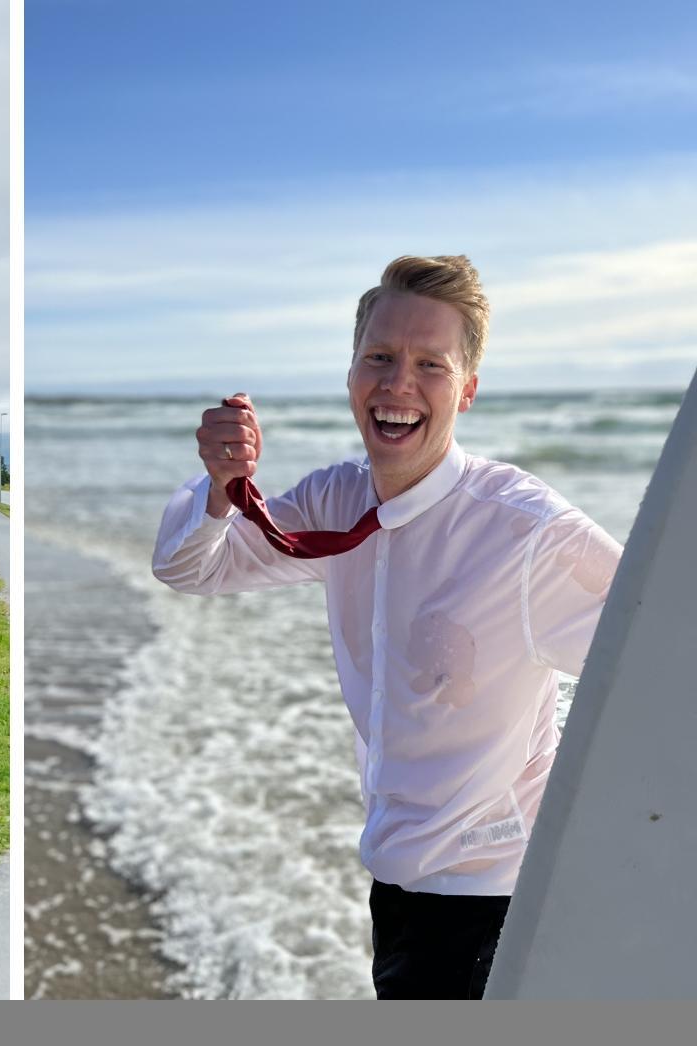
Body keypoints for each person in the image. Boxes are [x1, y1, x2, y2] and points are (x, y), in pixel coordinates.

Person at [152, 255, 622, 999]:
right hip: (396, 885)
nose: (399, 382)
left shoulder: (526, 533)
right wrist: (219, 489)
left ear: (466, 390)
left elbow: (660, 651)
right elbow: (192, 569)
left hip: (496, 904)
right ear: (350, 374)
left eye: (430, 364)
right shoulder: (337, 501)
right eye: (380, 357)